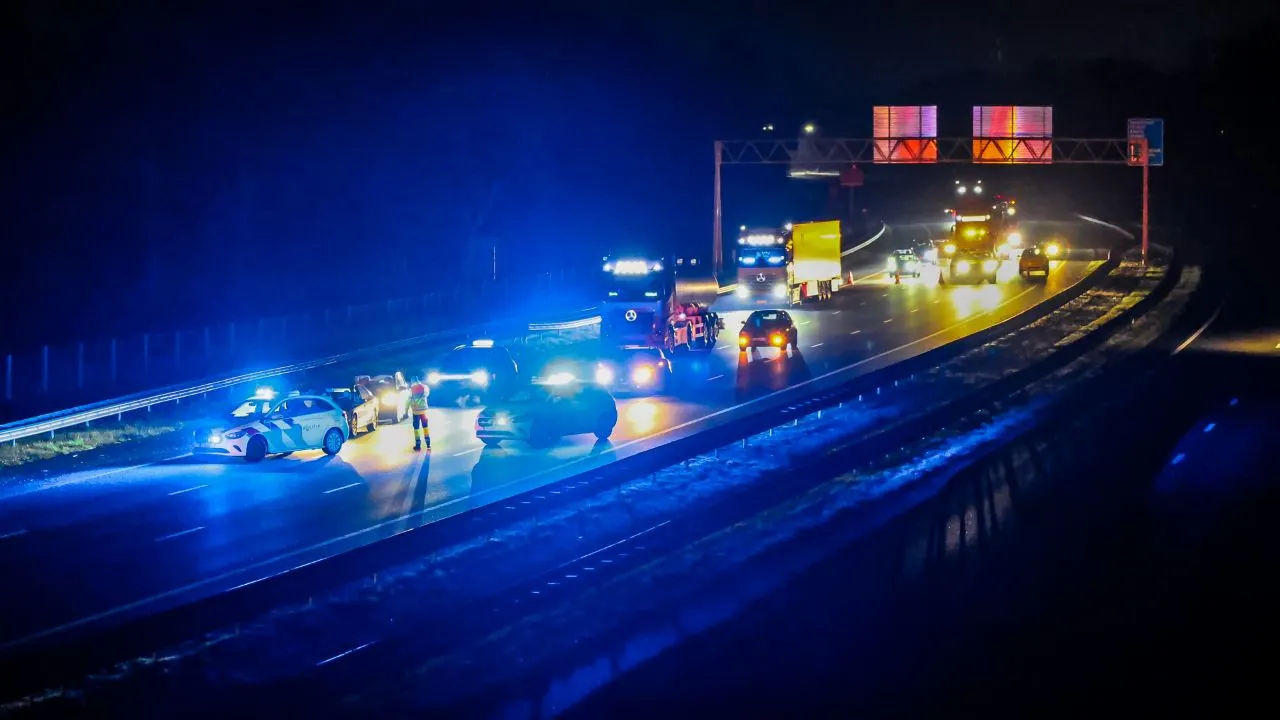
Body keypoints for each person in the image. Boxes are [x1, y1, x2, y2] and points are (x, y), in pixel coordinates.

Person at [408, 381, 430, 451]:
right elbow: (427, 394)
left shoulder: (411, 389)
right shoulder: (425, 387)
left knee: (416, 429)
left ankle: (418, 445)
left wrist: (406, 408)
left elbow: (409, 399)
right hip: (424, 411)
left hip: (416, 412)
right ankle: (428, 444)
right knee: (425, 427)